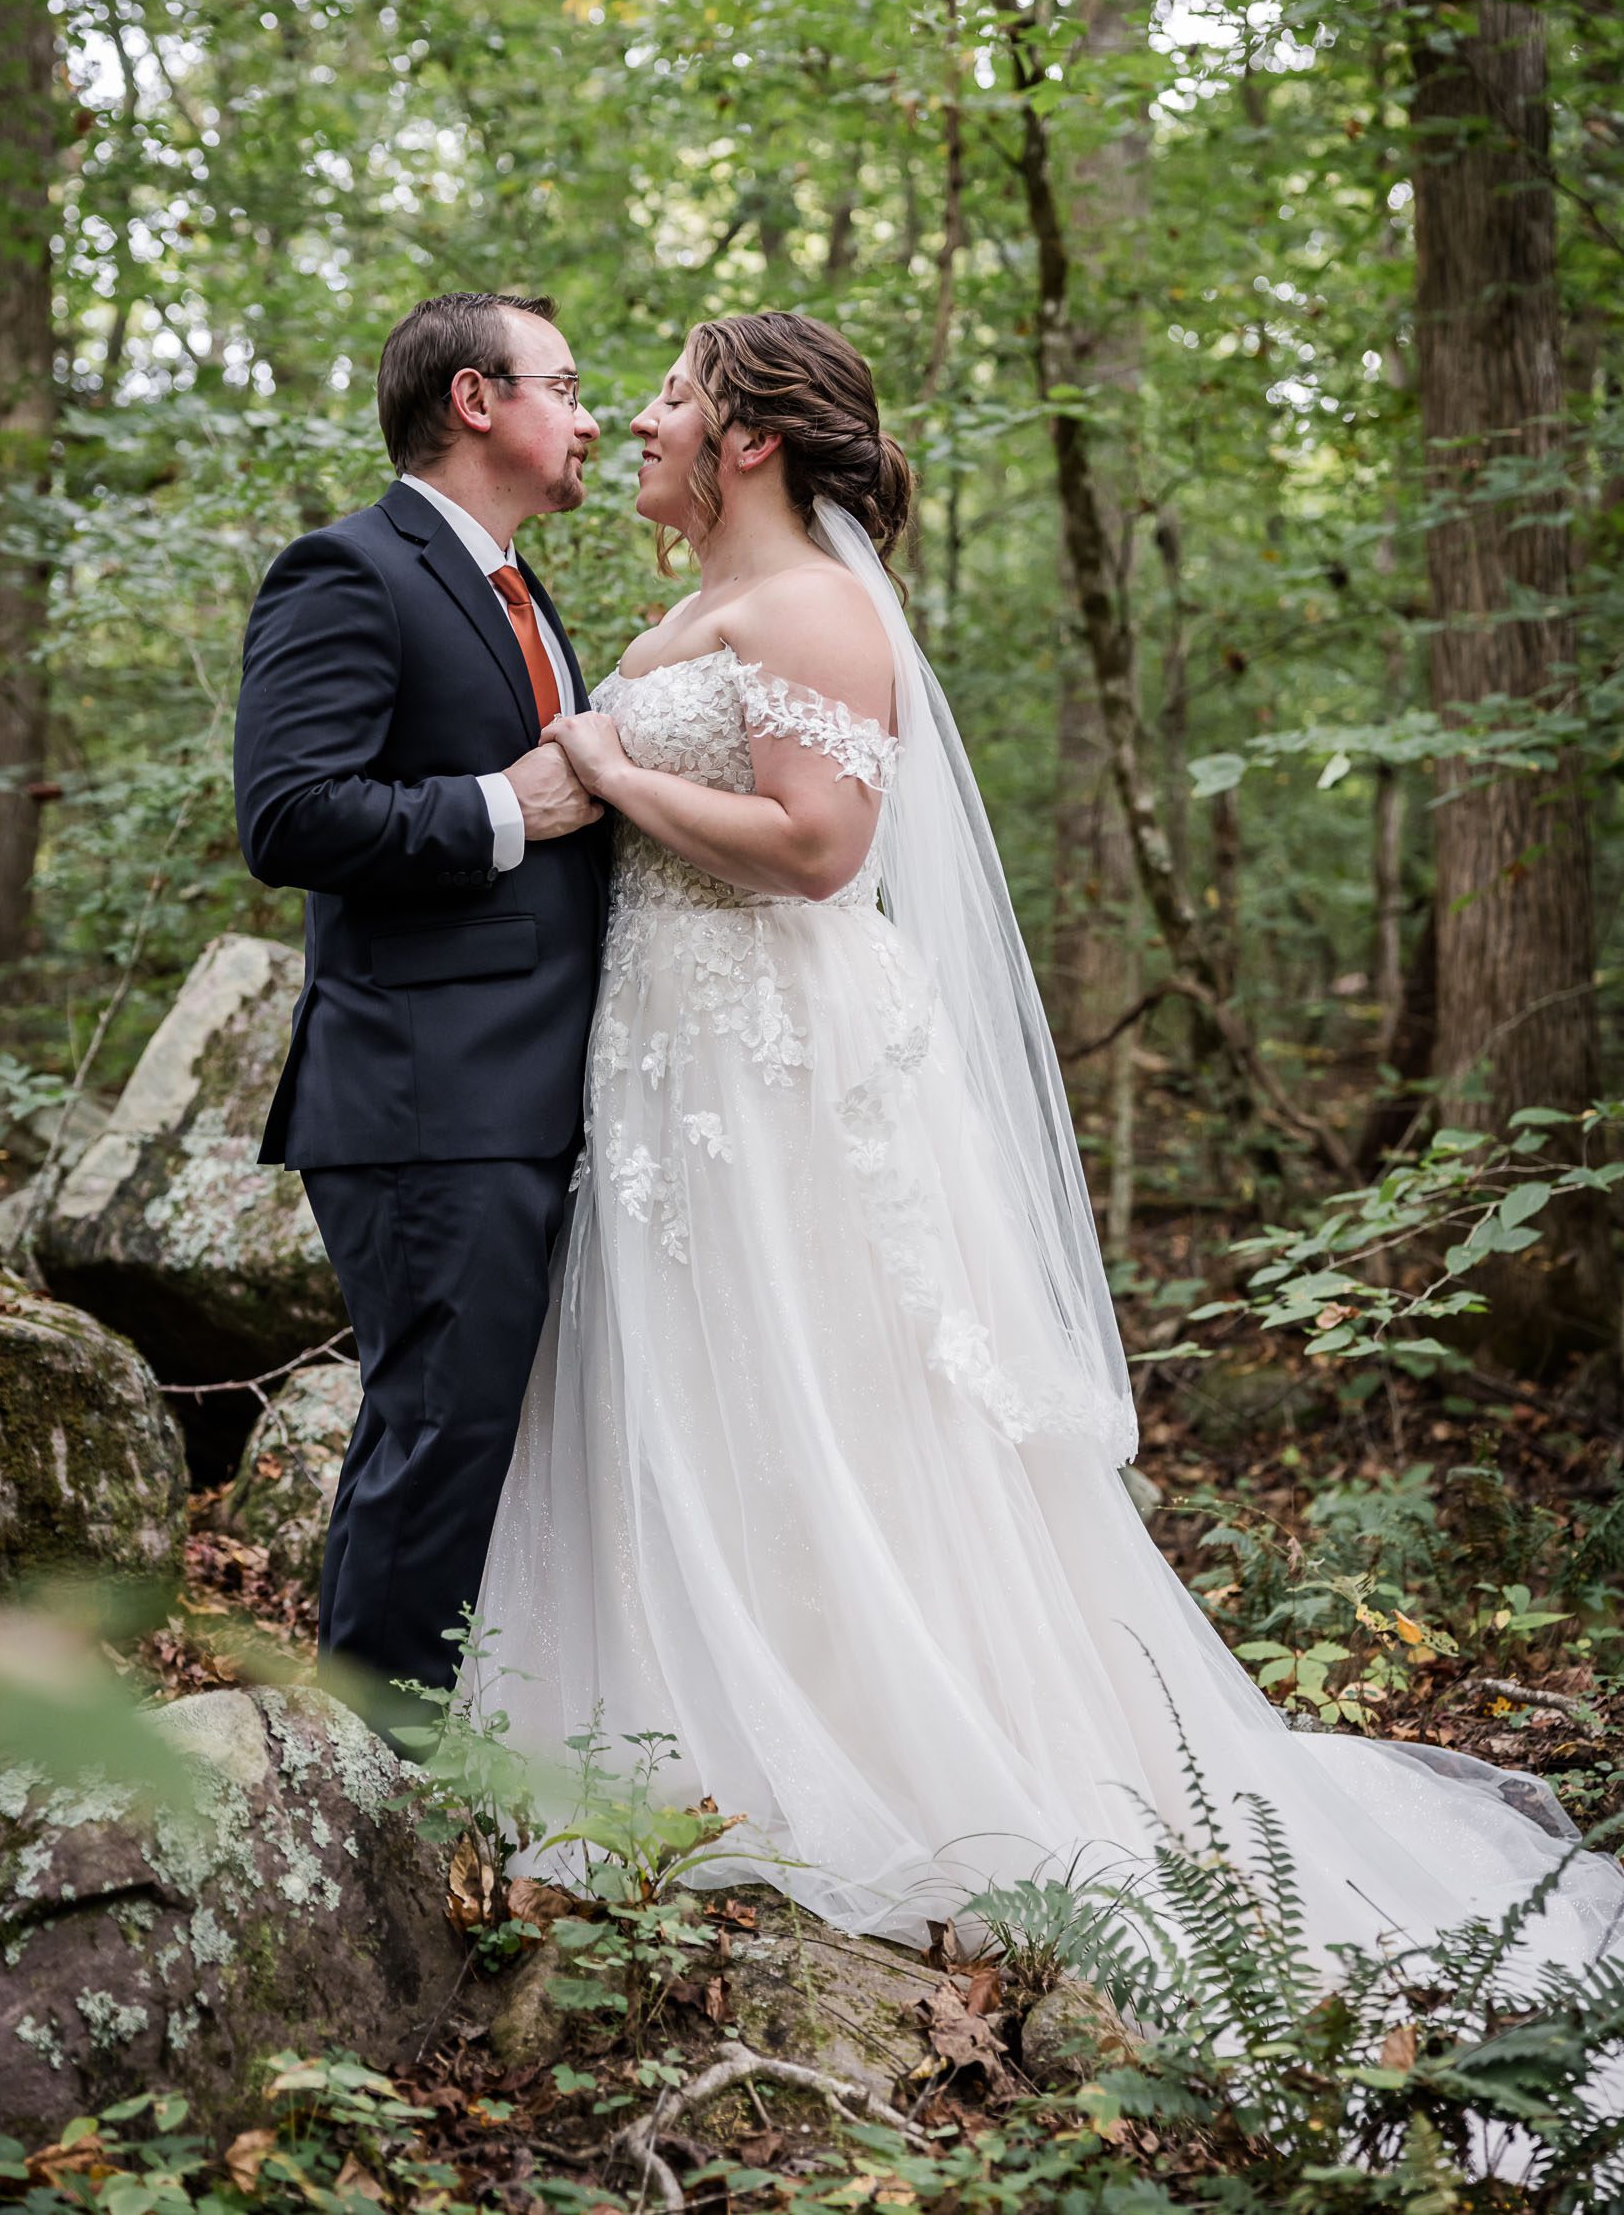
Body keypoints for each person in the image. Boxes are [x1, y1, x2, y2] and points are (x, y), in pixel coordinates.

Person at [468, 308, 1622, 1991]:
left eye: (671, 398)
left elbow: (818, 848)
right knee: (700, 1376)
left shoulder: (815, 608)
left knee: (820, 1379)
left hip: (781, 1067)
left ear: (753, 439)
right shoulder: (694, 605)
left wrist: (606, 772)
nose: (639, 422)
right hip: (670, 1061)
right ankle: (685, 1730)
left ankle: (876, 1739)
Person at [233, 290, 608, 1743]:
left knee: (478, 1441)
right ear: (473, 401)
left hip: (530, 1092)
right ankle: (365, 1791)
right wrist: (500, 809)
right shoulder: (348, 571)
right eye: (564, 387)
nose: (589, 419)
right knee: (434, 1437)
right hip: (424, 1096)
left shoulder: (519, 588)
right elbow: (288, 814)